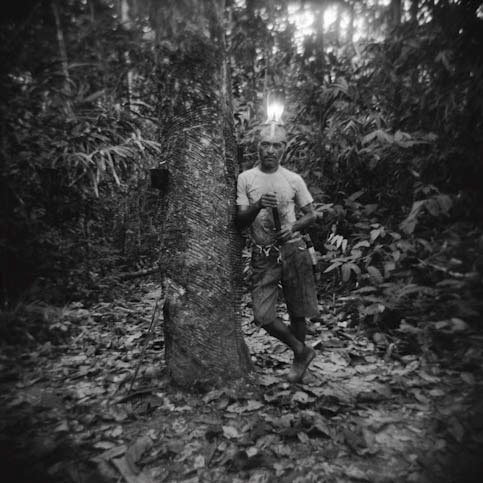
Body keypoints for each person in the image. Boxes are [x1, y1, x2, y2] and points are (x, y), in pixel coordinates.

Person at [236, 123, 319, 383]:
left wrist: (292, 226)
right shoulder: (246, 178)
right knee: (262, 315)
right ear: (257, 146)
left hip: (293, 249)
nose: (270, 150)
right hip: (263, 254)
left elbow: (312, 214)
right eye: (265, 144)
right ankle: (301, 350)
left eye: (277, 145)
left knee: (297, 310)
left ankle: (299, 365)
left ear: (284, 148)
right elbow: (240, 221)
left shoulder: (293, 179)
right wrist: (259, 204)